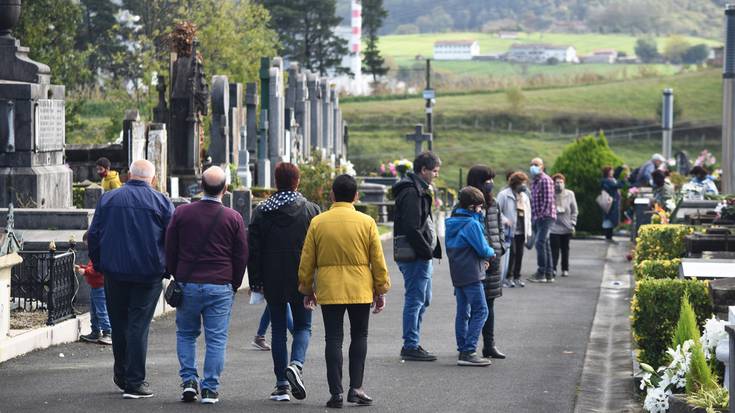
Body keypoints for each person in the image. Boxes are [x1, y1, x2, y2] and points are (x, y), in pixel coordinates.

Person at [298, 174, 391, 409]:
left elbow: (307, 260)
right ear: (356, 196)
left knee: (333, 338)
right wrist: (380, 289)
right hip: (360, 287)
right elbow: (377, 260)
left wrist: (307, 288)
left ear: (332, 194)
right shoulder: (367, 222)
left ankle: (336, 393)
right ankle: (356, 388)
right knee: (359, 336)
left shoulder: (319, 222)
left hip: (330, 288)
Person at [87, 159, 174, 399]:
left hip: (115, 272)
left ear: (128, 176)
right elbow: (172, 239)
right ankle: (135, 381)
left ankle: (122, 373)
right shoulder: (162, 202)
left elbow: (93, 235)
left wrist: (101, 262)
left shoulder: (109, 199)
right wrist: (168, 268)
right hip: (148, 273)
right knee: (138, 324)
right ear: (153, 179)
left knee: (119, 322)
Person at [165, 166, 248, 404]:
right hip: (220, 284)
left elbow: (171, 247)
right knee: (216, 339)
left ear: (201, 186)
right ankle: (210, 388)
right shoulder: (233, 217)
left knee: (186, 334)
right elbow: (241, 255)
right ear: (225, 189)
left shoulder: (182, 213)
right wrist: (234, 282)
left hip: (188, 282)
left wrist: (174, 272)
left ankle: (189, 380)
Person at [249, 162, 321, 402]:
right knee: (303, 326)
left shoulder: (261, 211)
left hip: (271, 277)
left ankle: (281, 385)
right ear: (297, 182)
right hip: (301, 276)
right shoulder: (311, 210)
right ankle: (296, 365)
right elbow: (318, 249)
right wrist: (316, 282)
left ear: (275, 182)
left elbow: (254, 249)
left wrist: (256, 281)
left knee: (278, 329)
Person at [392, 151, 442, 361]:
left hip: (420, 255)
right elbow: (413, 228)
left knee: (423, 299)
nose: (436, 175)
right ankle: (410, 345)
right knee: (415, 299)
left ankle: (413, 341)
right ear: (424, 170)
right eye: (435, 171)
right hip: (415, 256)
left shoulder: (417, 189)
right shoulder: (413, 192)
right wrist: (427, 252)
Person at [446, 186, 495, 366]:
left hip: (458, 272)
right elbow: (483, 248)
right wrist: (492, 253)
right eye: (479, 207)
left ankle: (462, 348)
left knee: (463, 311)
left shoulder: (451, 221)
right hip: (472, 272)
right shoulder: (471, 224)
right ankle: (469, 351)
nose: (481, 210)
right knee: (482, 310)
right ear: (472, 207)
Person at [466, 165, 506, 360]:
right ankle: (467, 345)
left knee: (489, 304)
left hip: (495, 259)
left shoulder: (494, 203)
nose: (490, 184)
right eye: (487, 180)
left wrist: (501, 248)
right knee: (472, 305)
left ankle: (489, 345)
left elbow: (499, 227)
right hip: (476, 261)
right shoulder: (466, 206)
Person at [77, 231, 112, 345]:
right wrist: (83, 267)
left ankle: (107, 332)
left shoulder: (100, 253)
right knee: (94, 311)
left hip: (100, 286)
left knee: (101, 311)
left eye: (88, 244)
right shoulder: (97, 253)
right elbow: (93, 267)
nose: (87, 247)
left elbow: (98, 270)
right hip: (95, 286)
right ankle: (95, 331)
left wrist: (85, 271)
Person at [497, 172, 532, 287]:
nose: (524, 186)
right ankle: (508, 277)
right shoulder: (504, 195)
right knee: (512, 254)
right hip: (509, 231)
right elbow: (497, 211)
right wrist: (505, 220)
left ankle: (517, 277)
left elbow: (528, 214)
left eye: (525, 183)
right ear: (515, 183)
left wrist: (529, 230)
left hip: (522, 231)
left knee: (520, 254)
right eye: (522, 183)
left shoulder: (525, 196)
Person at [528, 157, 556, 283]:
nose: (533, 166)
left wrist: (540, 215)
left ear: (542, 167)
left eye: (536, 164)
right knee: (545, 243)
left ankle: (541, 272)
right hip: (538, 217)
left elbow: (548, 200)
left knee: (539, 242)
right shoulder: (534, 182)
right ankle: (549, 273)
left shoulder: (545, 180)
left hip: (546, 217)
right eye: (532, 164)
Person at [549, 174, 578, 277]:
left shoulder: (570, 194)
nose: (559, 184)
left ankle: (565, 268)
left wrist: (573, 222)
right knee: (554, 249)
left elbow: (574, 210)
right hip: (554, 227)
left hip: (566, 226)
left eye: (561, 182)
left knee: (565, 249)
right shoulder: (550, 194)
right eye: (557, 182)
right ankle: (553, 268)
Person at [601, 166, 624, 241]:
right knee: (608, 218)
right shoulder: (606, 181)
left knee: (611, 218)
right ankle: (608, 236)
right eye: (611, 171)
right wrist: (623, 181)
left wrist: (621, 168)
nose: (612, 172)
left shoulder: (611, 179)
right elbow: (616, 186)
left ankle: (609, 236)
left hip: (612, 201)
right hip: (609, 202)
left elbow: (616, 175)